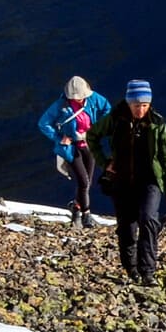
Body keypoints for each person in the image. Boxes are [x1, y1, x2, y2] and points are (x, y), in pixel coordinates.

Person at [93, 80, 166, 284]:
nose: (140, 110)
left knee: (148, 219)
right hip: (122, 181)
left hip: (150, 181)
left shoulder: (157, 123)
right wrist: (104, 163)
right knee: (127, 227)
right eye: (136, 105)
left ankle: (148, 272)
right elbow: (92, 136)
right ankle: (131, 269)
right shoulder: (115, 119)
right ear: (129, 103)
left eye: (144, 105)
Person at [36, 76, 111, 227]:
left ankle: (76, 207)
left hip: (89, 145)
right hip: (71, 148)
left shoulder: (94, 99)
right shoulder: (60, 105)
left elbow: (107, 110)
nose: (79, 100)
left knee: (87, 182)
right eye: (76, 98)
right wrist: (59, 138)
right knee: (83, 181)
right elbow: (43, 123)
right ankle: (86, 215)